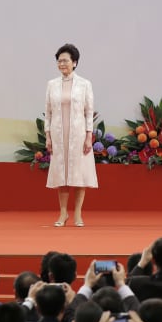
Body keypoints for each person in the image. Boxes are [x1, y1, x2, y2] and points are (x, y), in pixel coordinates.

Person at [44, 43, 96, 227]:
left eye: (65, 60)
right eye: (59, 61)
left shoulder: (84, 84)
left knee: (79, 174)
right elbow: (48, 112)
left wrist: (89, 135)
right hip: (59, 135)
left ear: (74, 62)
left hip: (78, 134)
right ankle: (63, 213)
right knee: (62, 175)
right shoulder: (52, 85)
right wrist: (48, 136)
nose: (62, 64)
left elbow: (89, 112)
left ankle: (78, 215)